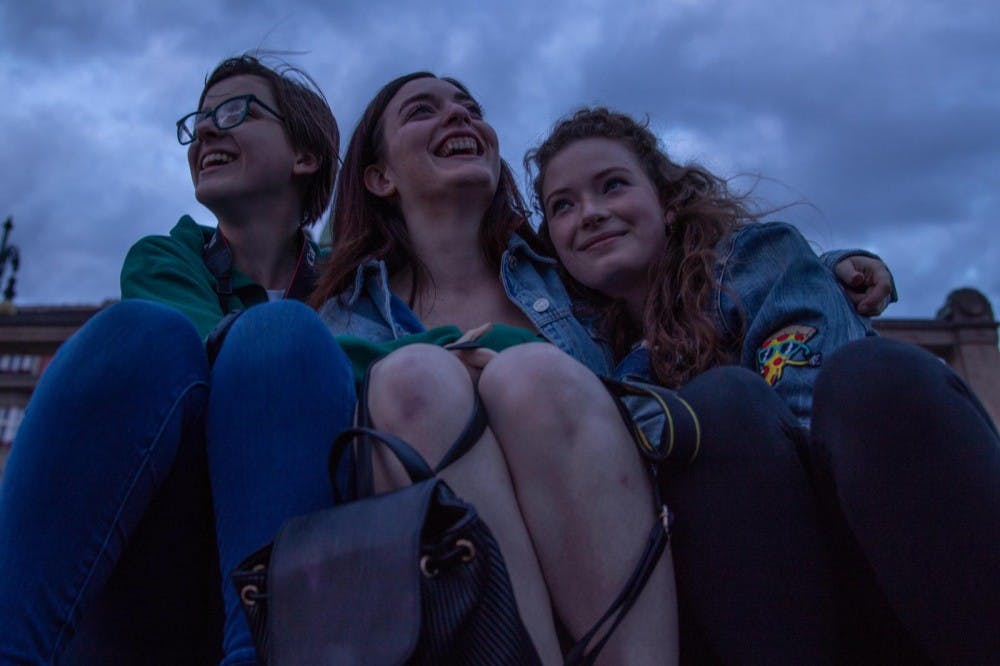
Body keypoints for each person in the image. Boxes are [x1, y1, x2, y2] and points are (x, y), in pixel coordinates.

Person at [526, 106, 1000, 662]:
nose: (591, 213)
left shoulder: (752, 261)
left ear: (668, 202)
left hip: (860, 550)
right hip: (721, 605)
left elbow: (813, 410)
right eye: (564, 205)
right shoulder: (583, 352)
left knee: (850, 381)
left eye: (612, 186)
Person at [0, 54, 356, 665]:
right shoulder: (166, 257)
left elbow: (425, 351)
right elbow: (205, 354)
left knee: (284, 340)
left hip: (315, 570)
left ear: (305, 156)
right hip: (155, 577)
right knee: (146, 333)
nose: (208, 130)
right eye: (199, 121)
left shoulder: (358, 285)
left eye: (235, 110)